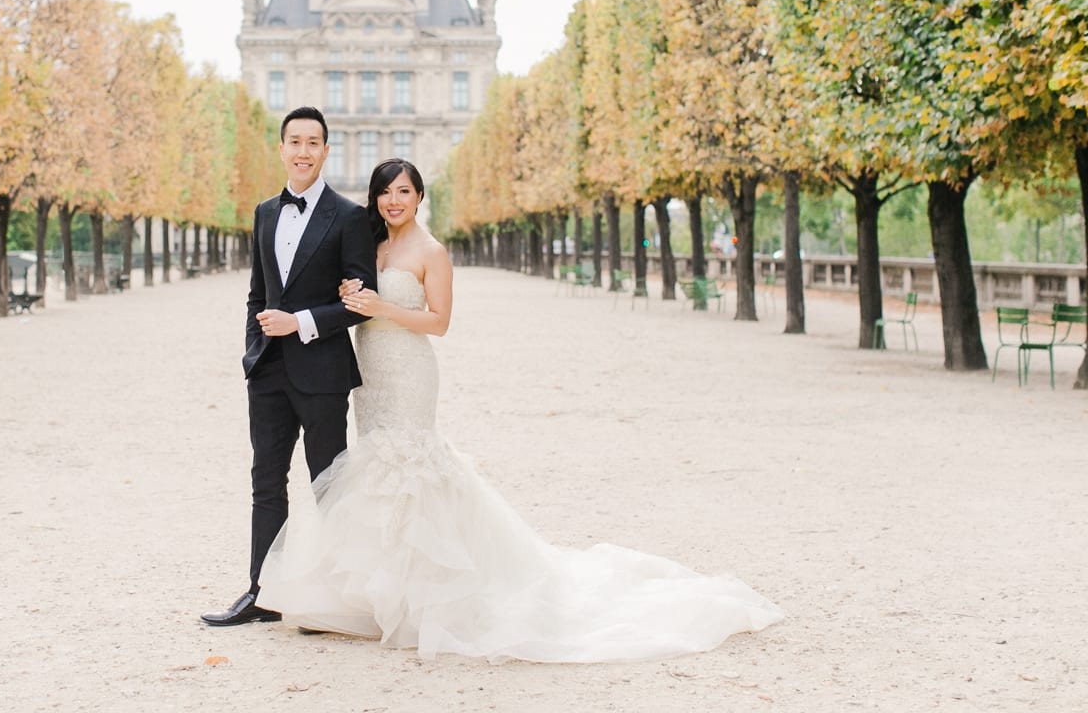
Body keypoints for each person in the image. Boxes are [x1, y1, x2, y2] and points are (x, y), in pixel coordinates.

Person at [256, 158, 784, 661]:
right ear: (375, 199)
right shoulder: (367, 242)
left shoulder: (431, 251)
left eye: (405, 192)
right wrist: (352, 293)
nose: (394, 201)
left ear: (420, 197)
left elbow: (439, 323)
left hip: (409, 370)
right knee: (376, 472)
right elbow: (347, 296)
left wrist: (383, 306)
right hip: (368, 373)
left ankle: (421, 597)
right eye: (386, 192)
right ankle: (380, 592)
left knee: (411, 465)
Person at [201, 107, 378, 627]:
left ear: (325, 151)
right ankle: (261, 594)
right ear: (281, 149)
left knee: (329, 487)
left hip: (322, 372)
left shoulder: (348, 216)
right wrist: (253, 349)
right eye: (294, 141)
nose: (302, 151)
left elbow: (359, 300)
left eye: (312, 142)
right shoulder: (263, 212)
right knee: (266, 483)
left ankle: (334, 596)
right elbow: (257, 291)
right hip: (270, 371)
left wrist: (298, 321)